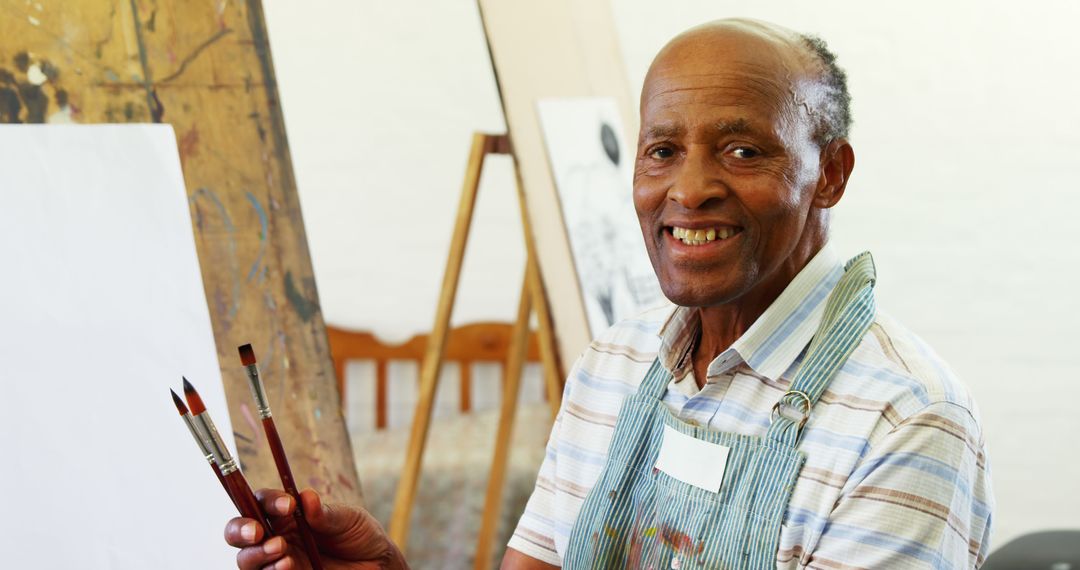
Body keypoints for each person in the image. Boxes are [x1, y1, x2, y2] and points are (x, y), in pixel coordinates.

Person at [225, 18, 994, 569]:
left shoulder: (905, 418)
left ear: (829, 173)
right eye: (662, 150)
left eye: (742, 149)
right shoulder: (617, 362)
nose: (688, 190)